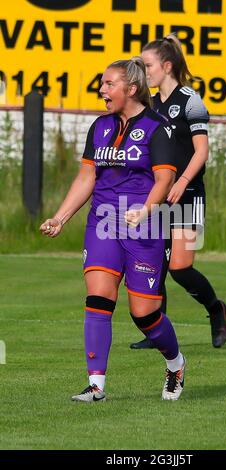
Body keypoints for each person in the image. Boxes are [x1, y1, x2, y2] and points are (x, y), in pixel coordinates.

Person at [40, 57, 186, 402]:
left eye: (108, 84)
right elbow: (87, 177)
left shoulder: (157, 127)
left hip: (146, 225)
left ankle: (175, 364)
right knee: (98, 297)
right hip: (102, 223)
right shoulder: (100, 127)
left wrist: (146, 210)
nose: (102, 90)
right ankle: (96, 385)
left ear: (131, 89)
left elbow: (165, 178)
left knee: (144, 313)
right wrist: (60, 218)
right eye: (102, 84)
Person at [130, 35, 226, 351]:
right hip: (160, 194)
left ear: (167, 65)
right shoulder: (151, 105)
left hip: (188, 194)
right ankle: (156, 332)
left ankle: (216, 309)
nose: (144, 72)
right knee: (155, 264)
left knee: (180, 268)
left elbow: (202, 151)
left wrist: (182, 181)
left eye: (148, 66)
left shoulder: (191, 100)